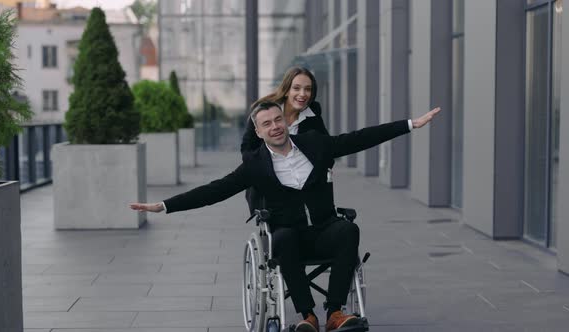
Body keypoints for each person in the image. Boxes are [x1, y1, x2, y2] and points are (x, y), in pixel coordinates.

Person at [130, 102, 441, 332]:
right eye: (267, 123)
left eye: (278, 119)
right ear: (258, 131)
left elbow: (358, 138)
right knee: (282, 237)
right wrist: (164, 206)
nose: (275, 126)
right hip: (288, 237)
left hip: (324, 229)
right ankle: (307, 316)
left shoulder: (315, 144)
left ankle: (335, 313)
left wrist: (410, 124)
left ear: (286, 121)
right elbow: (215, 190)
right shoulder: (254, 165)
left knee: (349, 230)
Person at [241, 66, 330, 212]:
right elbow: (247, 150)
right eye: (297, 88)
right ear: (287, 89)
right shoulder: (263, 110)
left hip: (303, 182)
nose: (303, 94)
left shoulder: (312, 112)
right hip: (270, 182)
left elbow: (326, 148)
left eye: (308, 89)